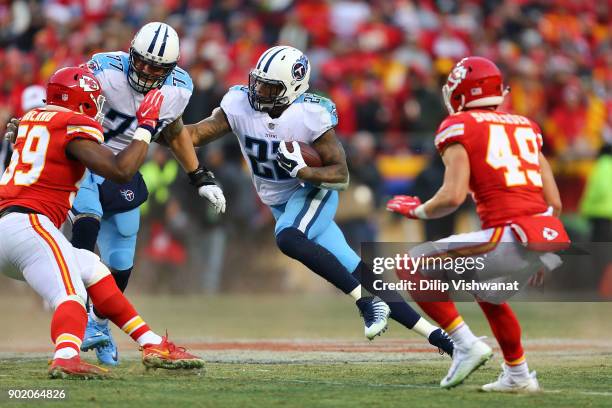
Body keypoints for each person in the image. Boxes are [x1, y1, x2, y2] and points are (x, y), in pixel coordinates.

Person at [180, 45, 454, 355]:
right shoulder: (238, 103)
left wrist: (305, 171)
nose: (258, 91)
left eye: (270, 87)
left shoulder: (310, 114)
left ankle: (366, 303)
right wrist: (156, 127)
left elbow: (341, 175)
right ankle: (444, 340)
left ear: (294, 88)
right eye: (257, 82)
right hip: (278, 201)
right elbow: (194, 135)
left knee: (288, 238)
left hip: (311, 193)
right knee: (356, 269)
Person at [0, 66, 204, 378]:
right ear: (82, 103)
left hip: (14, 228)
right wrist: (145, 127)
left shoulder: (31, 118)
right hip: (28, 225)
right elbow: (121, 171)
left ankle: (152, 343)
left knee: (93, 267)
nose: (99, 109)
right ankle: (66, 356)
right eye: (94, 102)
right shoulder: (72, 124)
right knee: (71, 296)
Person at [387, 57, 568, 391]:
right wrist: (540, 248)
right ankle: (518, 376)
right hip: (540, 233)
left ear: (460, 91)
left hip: (506, 234)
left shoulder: (459, 125)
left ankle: (464, 344)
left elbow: (453, 196)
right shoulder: (527, 126)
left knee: (409, 264)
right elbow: (554, 200)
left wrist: (419, 211)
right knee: (489, 295)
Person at [48, 22, 224, 366]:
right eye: (140, 62)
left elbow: (173, 130)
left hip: (125, 166)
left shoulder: (178, 88)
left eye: (156, 67)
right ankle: (77, 321)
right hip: (87, 157)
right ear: (130, 53)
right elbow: (65, 101)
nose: (145, 71)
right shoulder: (103, 69)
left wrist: (198, 176)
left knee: (122, 255)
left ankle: (99, 323)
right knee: (87, 225)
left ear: (171, 68)